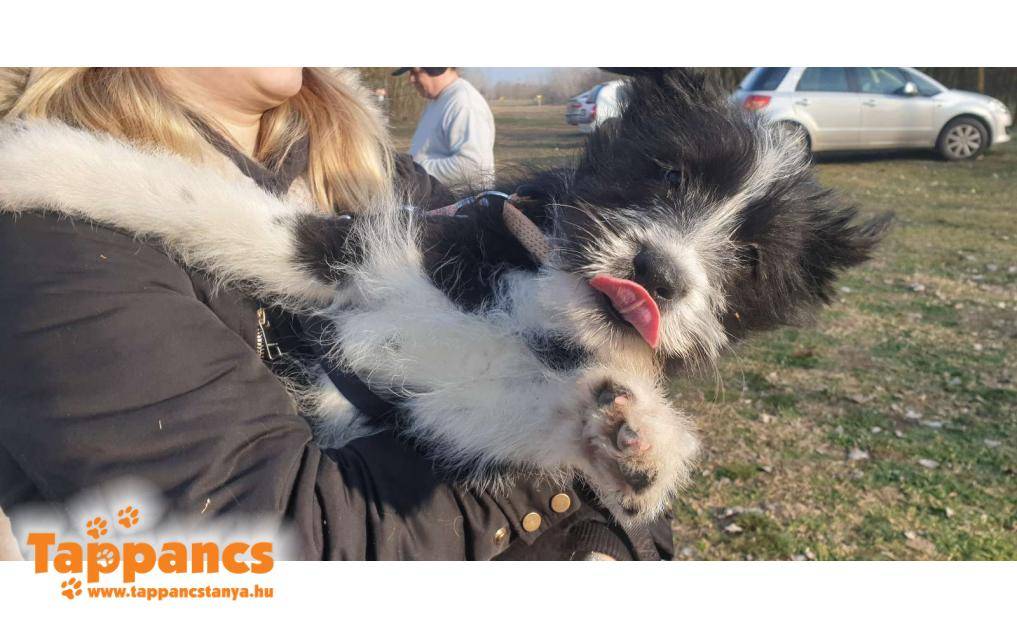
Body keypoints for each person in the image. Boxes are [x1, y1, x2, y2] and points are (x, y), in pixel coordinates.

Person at [0, 67, 671, 561]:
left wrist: (611, 539)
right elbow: (274, 539)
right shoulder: (54, 231)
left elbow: (620, 418)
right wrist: (568, 447)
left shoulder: (378, 174)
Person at [395, 67, 496, 189]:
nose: (411, 79)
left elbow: (474, 166)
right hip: (439, 196)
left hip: (461, 199)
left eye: (415, 72)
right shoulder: (440, 99)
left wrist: (414, 170)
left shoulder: (463, 103)